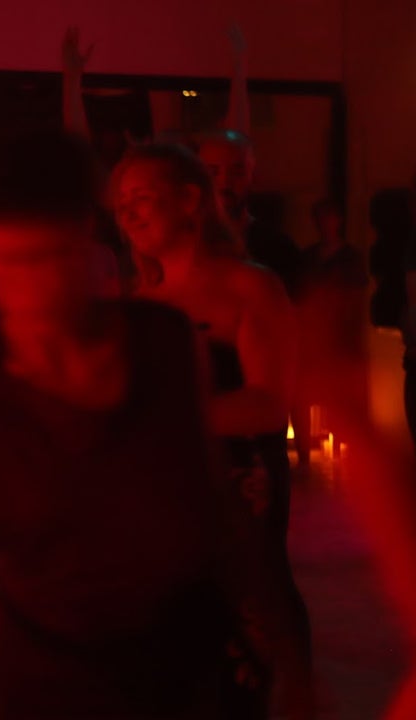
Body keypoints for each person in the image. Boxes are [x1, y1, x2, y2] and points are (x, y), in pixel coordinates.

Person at [0, 131, 314, 720]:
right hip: (49, 682)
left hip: (186, 673)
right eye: (8, 266)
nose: (34, 291)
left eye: (49, 259)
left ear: (83, 238)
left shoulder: (164, 344)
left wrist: (281, 661)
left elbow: (209, 515)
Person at [112, 142, 313, 716]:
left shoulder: (248, 287)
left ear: (190, 201)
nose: (129, 214)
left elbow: (271, 404)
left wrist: (164, 421)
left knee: (243, 660)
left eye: (143, 198)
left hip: (233, 502)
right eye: (121, 203)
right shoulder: (139, 300)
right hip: (156, 511)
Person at [292, 198, 368, 466]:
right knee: (303, 396)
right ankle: (304, 454)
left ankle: (351, 454)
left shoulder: (349, 258)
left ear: (338, 221)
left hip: (341, 337)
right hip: (313, 337)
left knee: (345, 397)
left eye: (328, 217)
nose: (324, 223)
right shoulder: (308, 257)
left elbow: (356, 299)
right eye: (319, 218)